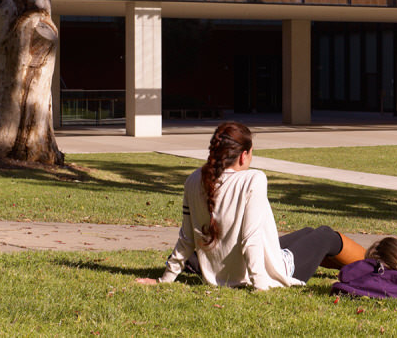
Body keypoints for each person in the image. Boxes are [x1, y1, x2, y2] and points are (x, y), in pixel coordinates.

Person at [140, 121, 361, 289]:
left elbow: (187, 238)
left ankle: (361, 267)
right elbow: (250, 239)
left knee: (307, 233)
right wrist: (261, 285)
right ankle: (385, 264)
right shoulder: (252, 179)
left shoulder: (193, 179)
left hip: (218, 271)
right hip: (254, 273)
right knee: (325, 235)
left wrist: (165, 280)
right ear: (244, 156)